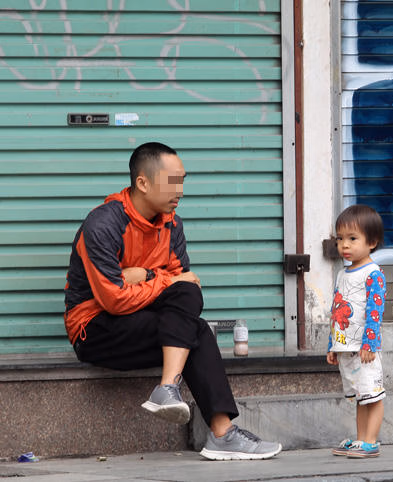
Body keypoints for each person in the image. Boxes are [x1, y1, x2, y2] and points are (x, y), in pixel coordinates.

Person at [63, 142, 281, 460]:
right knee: (193, 324)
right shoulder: (103, 225)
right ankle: (198, 416)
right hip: (94, 330)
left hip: (143, 321)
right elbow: (114, 300)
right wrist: (162, 278)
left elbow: (184, 287)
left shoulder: (171, 224)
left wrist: (144, 275)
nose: (180, 191)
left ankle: (194, 411)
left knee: (191, 308)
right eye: (172, 182)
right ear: (143, 182)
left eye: (182, 181)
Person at [326, 204, 386, 458]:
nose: (344, 245)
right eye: (340, 239)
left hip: (364, 349)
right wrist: (332, 345)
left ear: (371, 242)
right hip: (346, 348)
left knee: (373, 395)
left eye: (352, 239)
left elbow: (375, 311)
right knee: (362, 397)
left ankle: (371, 441)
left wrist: (369, 344)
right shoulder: (342, 274)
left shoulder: (373, 273)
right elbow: (336, 310)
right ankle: (361, 439)